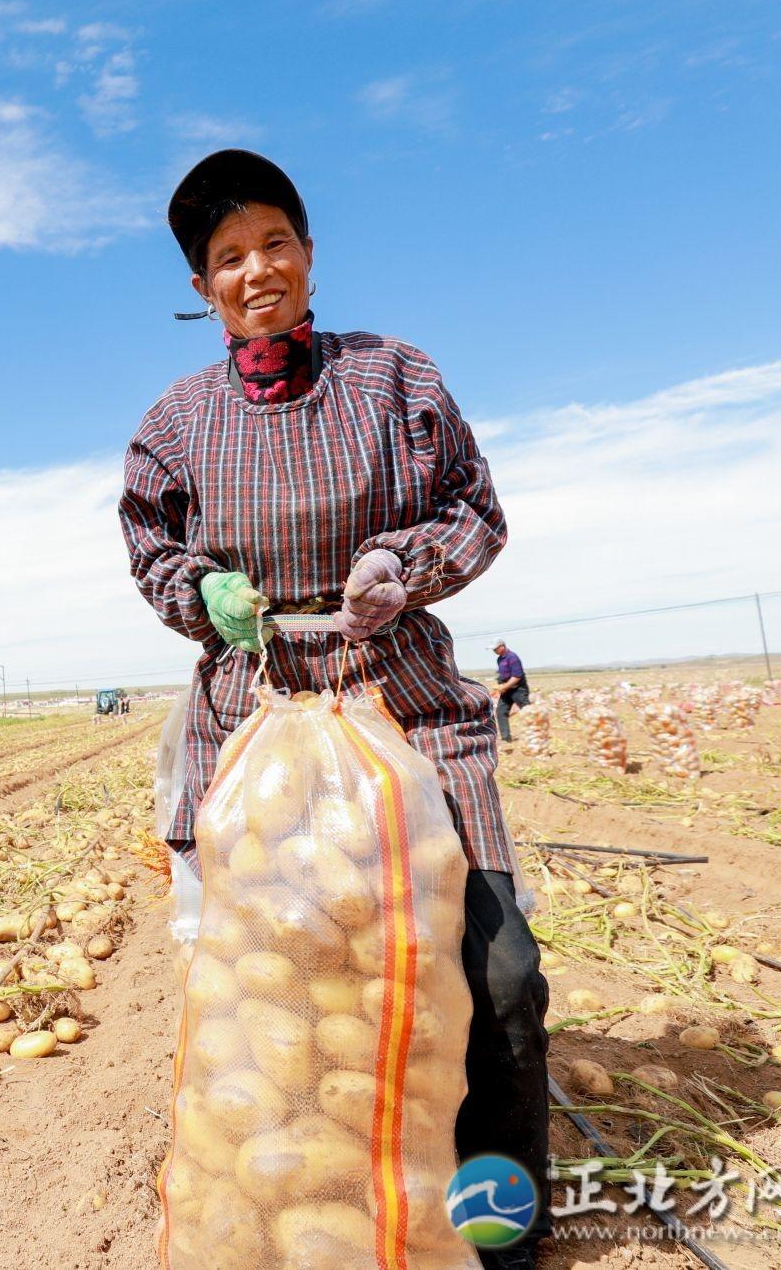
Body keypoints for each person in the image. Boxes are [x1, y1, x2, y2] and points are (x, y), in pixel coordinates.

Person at [119, 150, 550, 1266]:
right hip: (261, 717)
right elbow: (152, 550)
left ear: (309, 256)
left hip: (402, 699)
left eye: (274, 243)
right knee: (294, 972)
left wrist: (403, 565)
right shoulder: (175, 421)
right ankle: (323, 1200)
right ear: (202, 287)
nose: (254, 269)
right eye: (226, 258)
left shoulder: (395, 377)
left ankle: (499, 1230)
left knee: (499, 972)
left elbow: (476, 511)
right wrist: (201, 597)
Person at [492, 639, 531, 741]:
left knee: (528, 712)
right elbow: (503, 675)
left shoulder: (512, 657)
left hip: (518, 689)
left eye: (495, 648)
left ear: (502, 646)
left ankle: (533, 735)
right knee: (500, 712)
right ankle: (506, 738)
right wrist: (500, 686)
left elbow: (517, 676)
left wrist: (503, 687)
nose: (494, 651)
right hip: (507, 690)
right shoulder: (499, 659)